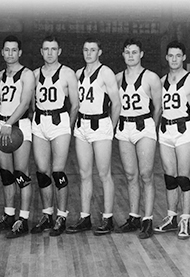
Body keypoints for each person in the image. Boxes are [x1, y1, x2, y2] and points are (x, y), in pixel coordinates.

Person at [65, 37, 120, 236]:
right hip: (82, 126)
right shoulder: (78, 74)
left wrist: (110, 128)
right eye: (86, 49)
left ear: (100, 52)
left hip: (101, 124)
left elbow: (116, 103)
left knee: (104, 174)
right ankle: (85, 217)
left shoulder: (105, 72)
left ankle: (108, 218)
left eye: (93, 50)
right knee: (84, 174)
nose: (89, 53)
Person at [29, 36, 79, 237]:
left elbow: (75, 104)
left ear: (60, 51)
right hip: (40, 123)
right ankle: (47, 214)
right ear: (41, 52)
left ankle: (62, 216)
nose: (49, 52)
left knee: (58, 172)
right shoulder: (33, 74)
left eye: (53, 49)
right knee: (42, 173)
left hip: (60, 122)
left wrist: (69, 126)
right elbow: (31, 102)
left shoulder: (67, 73)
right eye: (46, 49)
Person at [114, 38, 162, 239]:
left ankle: (148, 219)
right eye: (127, 52)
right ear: (123, 54)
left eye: (134, 52)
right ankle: (134, 216)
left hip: (144, 126)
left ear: (141, 54)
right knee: (130, 175)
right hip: (124, 127)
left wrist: (152, 128)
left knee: (146, 174)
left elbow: (158, 107)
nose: (131, 55)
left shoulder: (151, 77)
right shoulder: (117, 78)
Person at [0, 35, 35, 239]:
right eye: (6, 50)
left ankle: (23, 219)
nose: (10, 53)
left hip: (19, 126)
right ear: (2, 52)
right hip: (2, 127)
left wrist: (8, 124)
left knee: (21, 174)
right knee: (6, 175)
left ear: (20, 52)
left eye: (14, 50)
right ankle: (9, 216)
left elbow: (25, 103)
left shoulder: (27, 75)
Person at [154, 40, 190, 239]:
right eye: (170, 55)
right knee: (169, 177)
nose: (174, 59)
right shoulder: (162, 80)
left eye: (178, 56)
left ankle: (185, 219)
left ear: (184, 57)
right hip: (165, 130)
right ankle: (172, 217)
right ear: (166, 57)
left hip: (184, 129)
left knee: (183, 177)